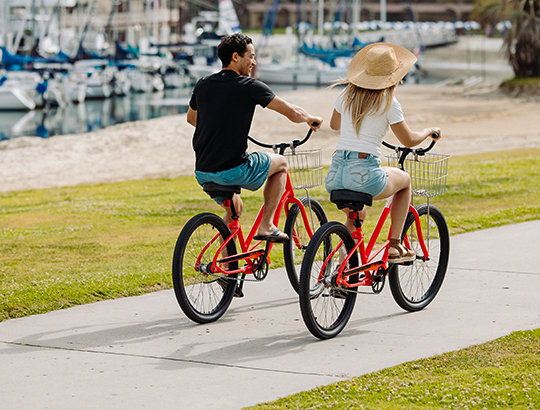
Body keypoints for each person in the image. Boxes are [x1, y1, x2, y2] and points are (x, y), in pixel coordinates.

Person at [187, 33, 322, 242]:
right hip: (233, 170)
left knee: (234, 212)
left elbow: (192, 118)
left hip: (203, 171)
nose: (254, 62)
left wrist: (221, 126)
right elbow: (292, 112)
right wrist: (310, 118)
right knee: (281, 164)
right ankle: (267, 225)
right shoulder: (249, 86)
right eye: (251, 56)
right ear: (235, 57)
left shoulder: (203, 84)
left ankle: (227, 270)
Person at [325, 42, 441, 263]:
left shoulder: (346, 96)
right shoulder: (389, 103)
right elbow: (408, 140)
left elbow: (334, 125)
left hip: (336, 173)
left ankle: (339, 270)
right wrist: (428, 131)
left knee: (356, 217)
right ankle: (395, 245)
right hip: (364, 174)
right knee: (405, 181)